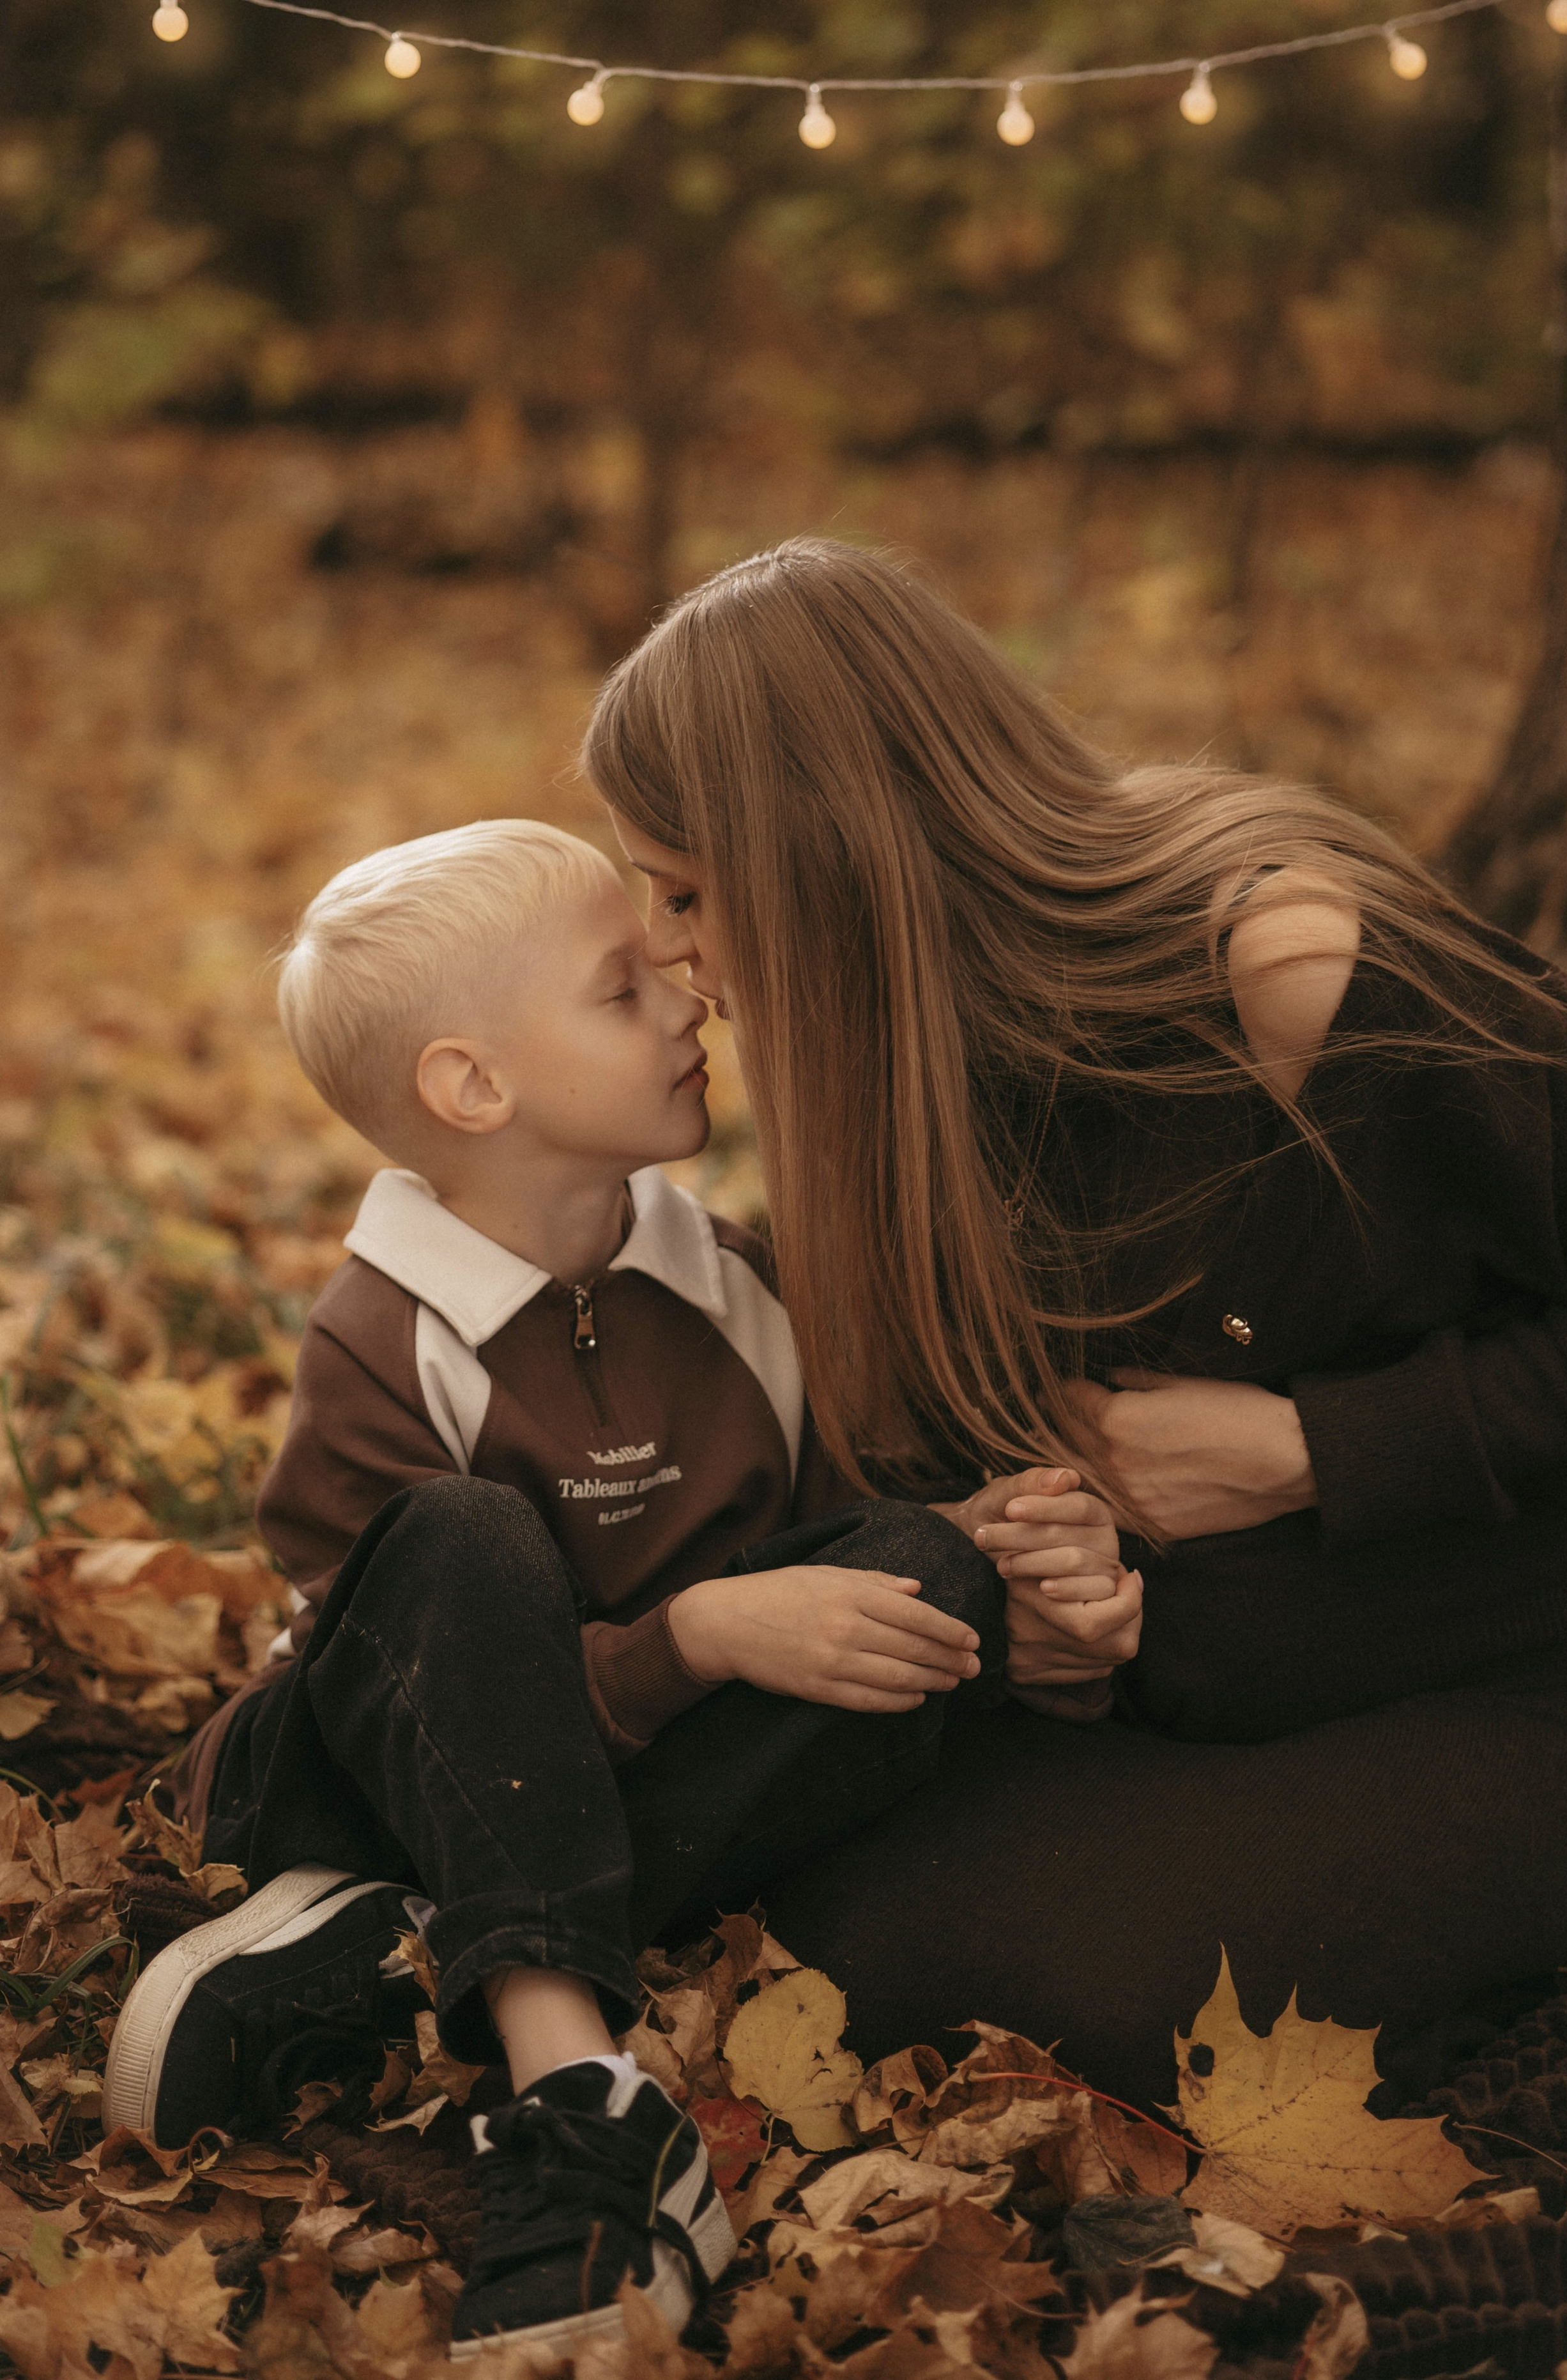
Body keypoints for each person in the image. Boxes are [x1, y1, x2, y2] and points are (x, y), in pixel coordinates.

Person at [584, 534, 1567, 2115]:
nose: (666, 948)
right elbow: (976, 1470)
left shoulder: (1294, 976)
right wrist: (1050, 1594)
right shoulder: (909, 1083)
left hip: (1555, 1662)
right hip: (1214, 1703)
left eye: (682, 891)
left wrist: (1311, 1450)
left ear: (820, 856)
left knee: (1129, 1993)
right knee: (828, 1914)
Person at [105, 818, 1136, 2360]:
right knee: (459, 1534)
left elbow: (843, 1539)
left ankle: (392, 1960)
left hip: (614, 1813)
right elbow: (412, 1689)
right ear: (474, 1088)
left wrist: (999, 1563)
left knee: (927, 1568)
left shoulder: (734, 1288)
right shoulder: (386, 1342)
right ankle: (578, 2095)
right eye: (621, 988)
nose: (687, 999)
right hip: (364, 1779)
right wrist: (690, 1639)